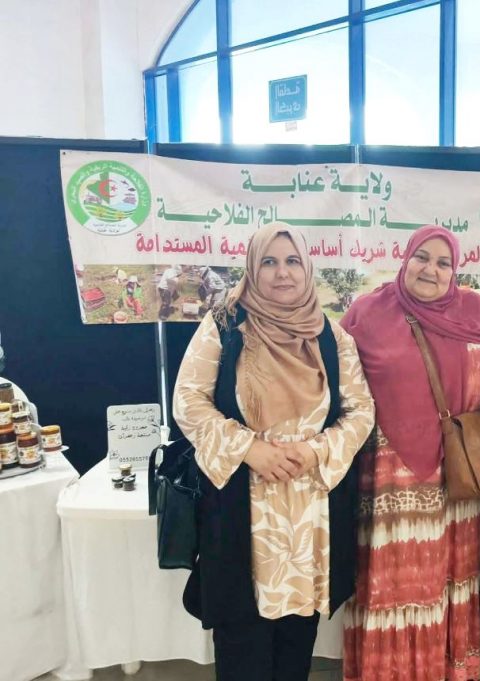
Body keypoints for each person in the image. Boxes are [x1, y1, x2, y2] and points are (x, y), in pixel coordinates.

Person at [173, 225, 375, 681]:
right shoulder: (224, 327)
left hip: (308, 521)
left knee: (294, 649)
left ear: (307, 268)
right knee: (241, 646)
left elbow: (361, 411)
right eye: (269, 262)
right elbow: (187, 400)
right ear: (252, 268)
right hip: (242, 512)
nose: (282, 273)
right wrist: (249, 448)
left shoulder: (332, 338)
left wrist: (315, 450)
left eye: (292, 261)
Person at [340, 226, 480, 681]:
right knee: (397, 589)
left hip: (461, 476)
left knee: (454, 580)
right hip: (390, 482)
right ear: (405, 259)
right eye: (422, 258)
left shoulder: (474, 311)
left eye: (443, 262)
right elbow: (336, 384)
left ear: (455, 270)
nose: (431, 269)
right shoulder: (367, 312)